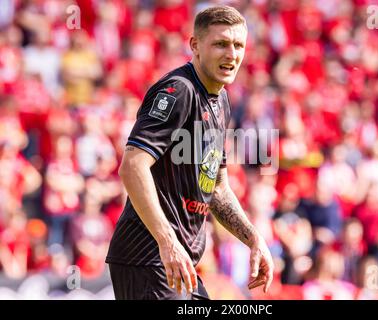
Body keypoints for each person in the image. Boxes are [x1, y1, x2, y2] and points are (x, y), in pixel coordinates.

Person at [106, 6, 274, 300]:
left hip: (178, 263)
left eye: (238, 46)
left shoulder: (221, 101)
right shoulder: (178, 91)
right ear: (195, 45)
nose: (231, 54)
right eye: (220, 43)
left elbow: (217, 188)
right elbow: (132, 166)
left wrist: (253, 238)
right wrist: (167, 241)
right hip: (148, 258)